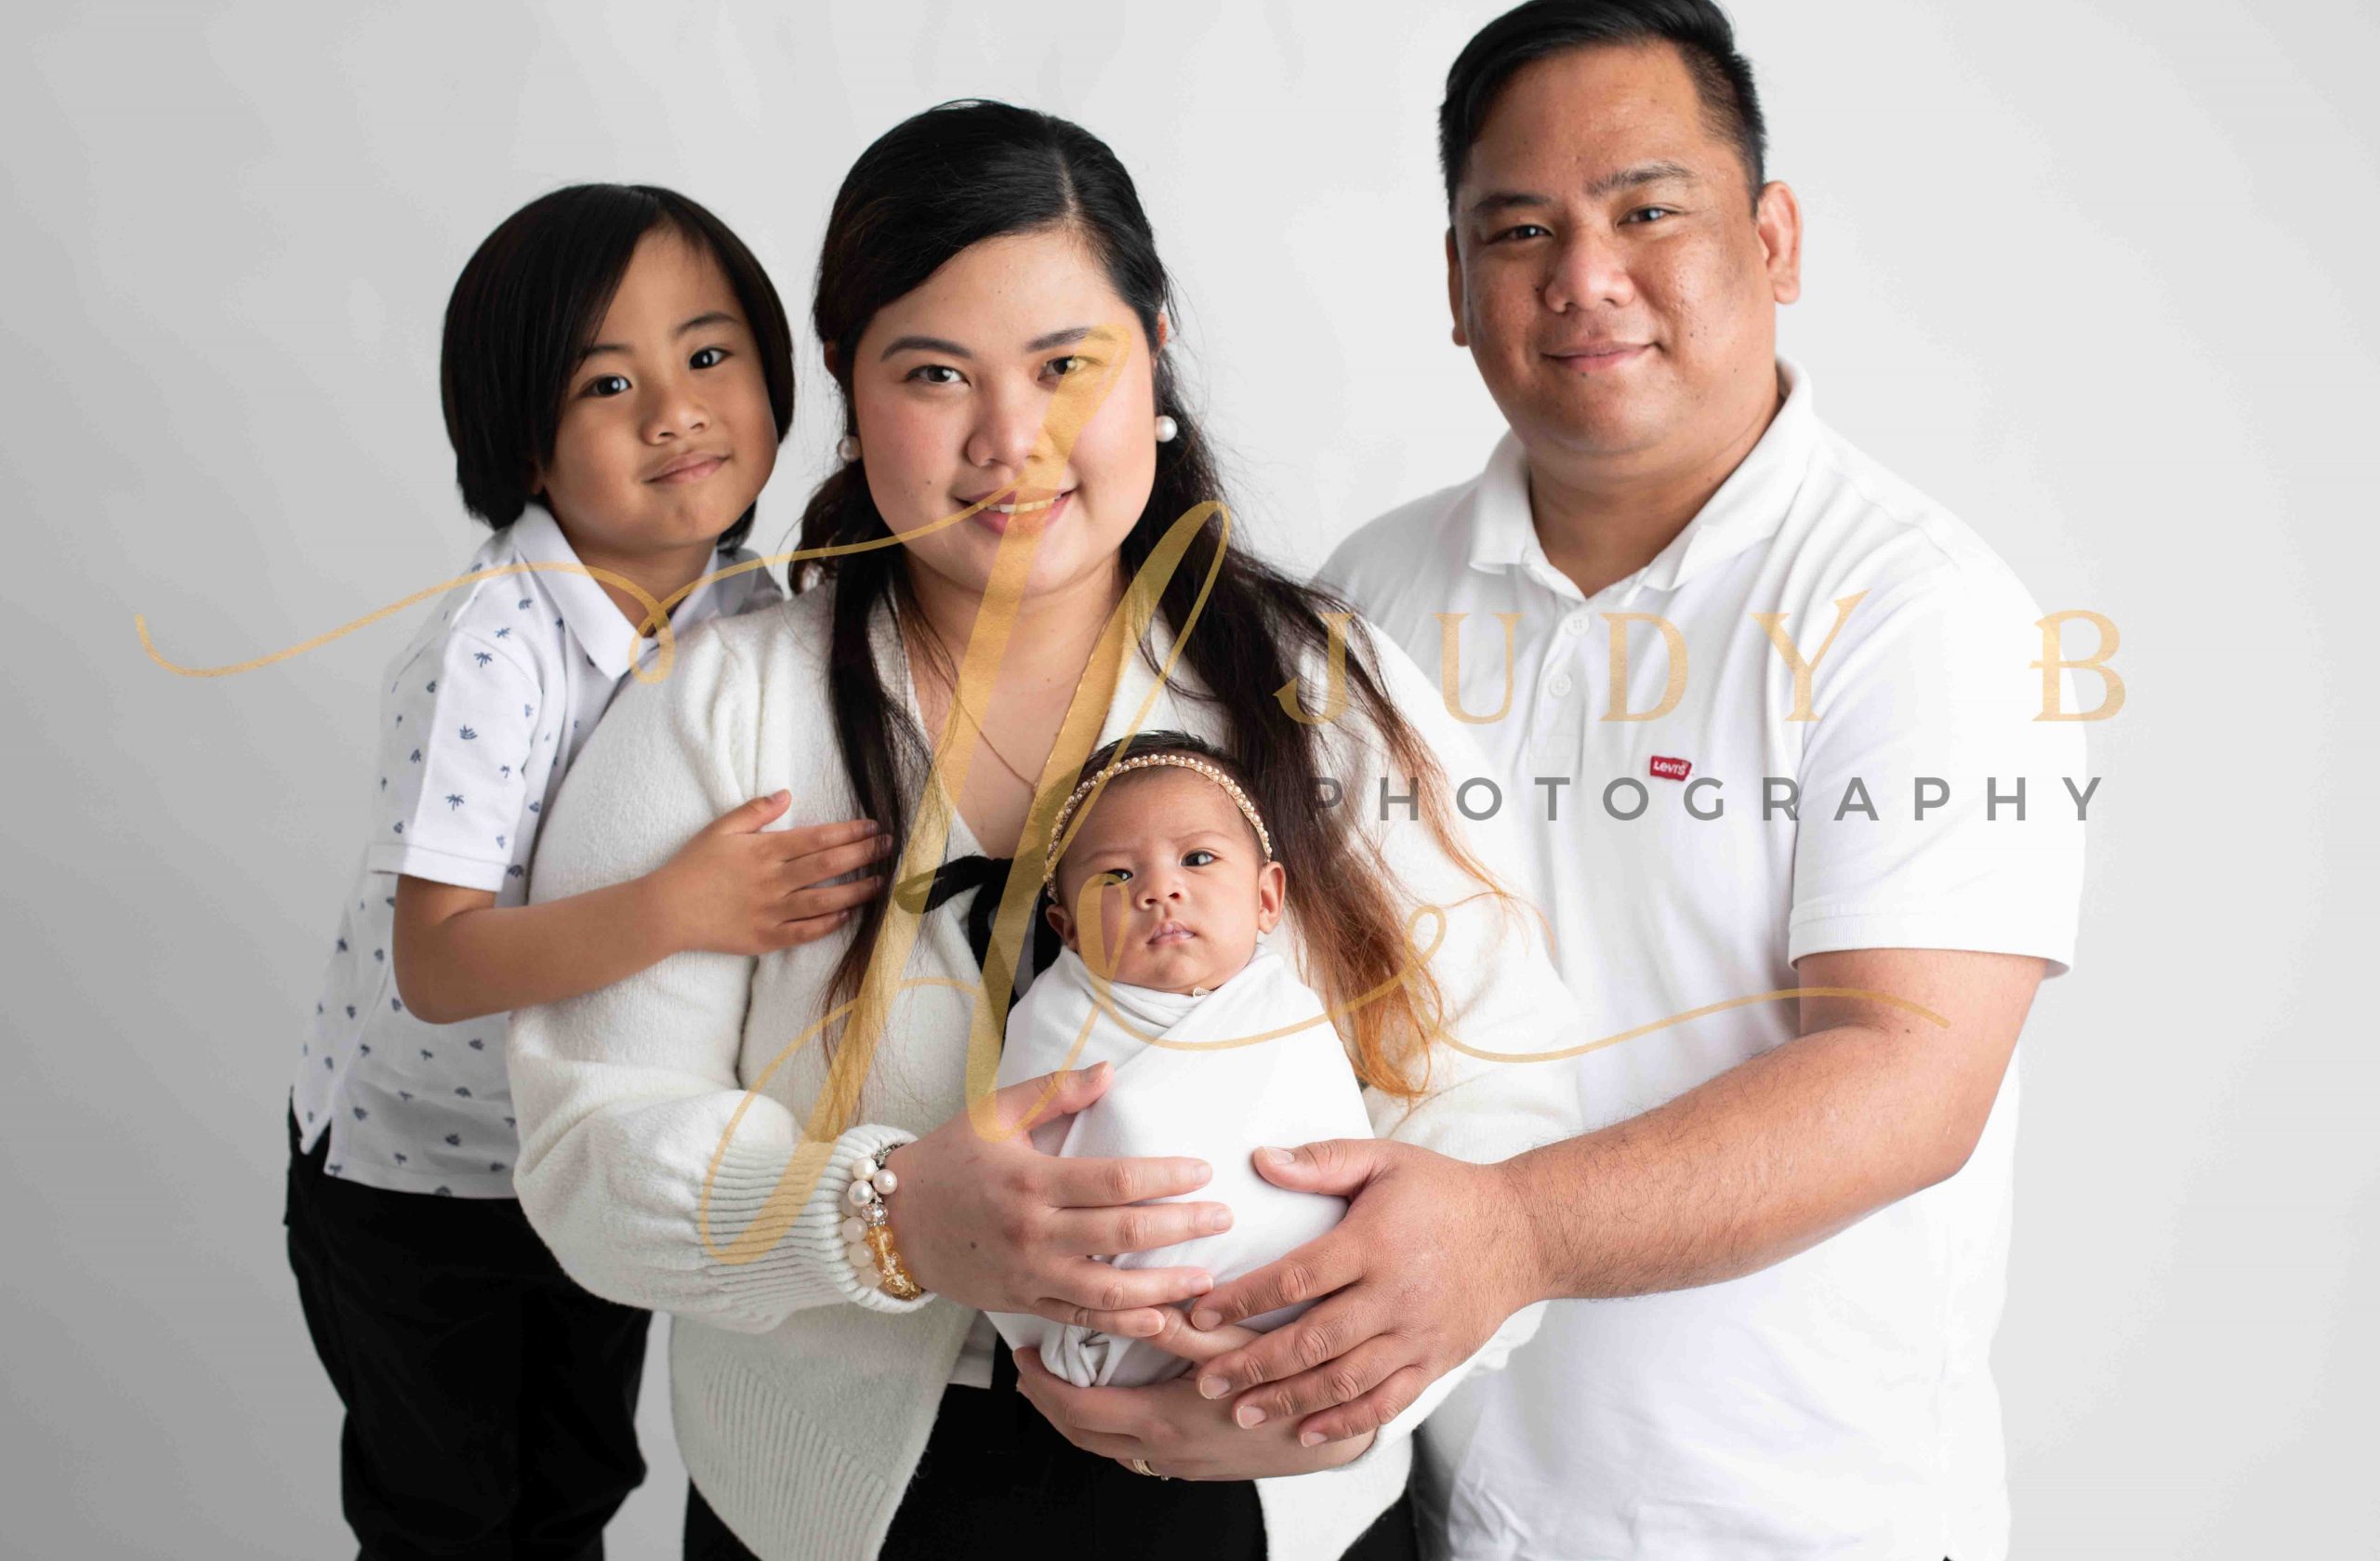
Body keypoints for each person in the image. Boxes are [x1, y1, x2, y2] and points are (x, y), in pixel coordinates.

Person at [502, 100, 1582, 1561]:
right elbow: (587, 1150)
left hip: (1272, 1492)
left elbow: (1504, 1082)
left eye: (1067, 365)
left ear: (1155, 356)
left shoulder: (1327, 690)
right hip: (839, 1512)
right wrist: (881, 1215)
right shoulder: (720, 711)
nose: (1011, 438)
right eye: (934, 372)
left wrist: (1357, 1373)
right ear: (847, 387)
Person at [1175, 0, 2090, 1559]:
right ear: (1455, 286)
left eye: (1646, 210)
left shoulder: (1918, 610)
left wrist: (1512, 1233)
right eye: (1519, 230)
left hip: (1795, 1524)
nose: (1584, 277)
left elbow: (1909, 1076)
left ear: (1774, 240)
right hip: (1430, 1501)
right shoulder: (1372, 595)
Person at [283, 182, 887, 1559]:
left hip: (597, 1146)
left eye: (710, 354)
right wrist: (680, 909)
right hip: (425, 1179)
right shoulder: (493, 647)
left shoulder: (751, 607)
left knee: (576, 1477)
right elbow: (437, 963)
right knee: (449, 1514)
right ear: (524, 442)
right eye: (608, 384)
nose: (675, 410)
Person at [987, 731, 1375, 1388]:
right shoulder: (1052, 1023)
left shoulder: (1291, 1014)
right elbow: (1008, 1185)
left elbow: (1351, 1159)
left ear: (1266, 898)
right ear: (1068, 929)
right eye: (1116, 875)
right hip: (1113, 1335)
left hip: (1312, 1336)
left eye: (1197, 858)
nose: (1160, 889)